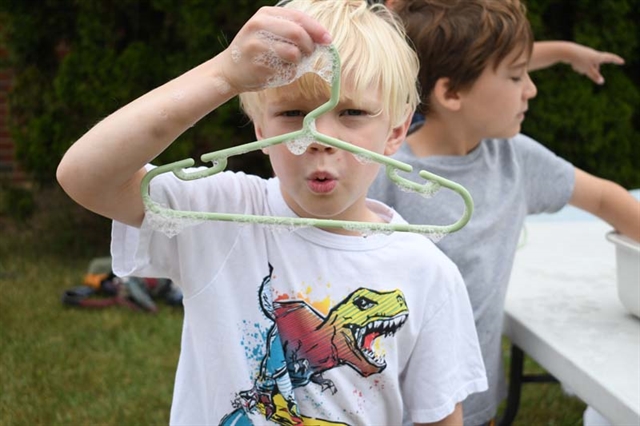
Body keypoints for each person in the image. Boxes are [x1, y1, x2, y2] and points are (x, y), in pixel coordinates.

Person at [57, 1, 488, 425]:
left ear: (396, 130)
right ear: (260, 129)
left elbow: (440, 417)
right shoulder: (223, 213)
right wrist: (223, 75)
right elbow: (86, 175)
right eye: (293, 114)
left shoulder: (429, 273)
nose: (320, 137)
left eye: (352, 112)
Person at [367, 0, 640, 425]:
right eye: (515, 76)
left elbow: (607, 200)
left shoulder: (515, 160)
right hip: (386, 411)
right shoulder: (382, 172)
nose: (531, 89)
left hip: (476, 410)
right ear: (451, 92)